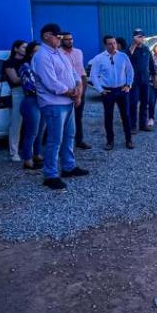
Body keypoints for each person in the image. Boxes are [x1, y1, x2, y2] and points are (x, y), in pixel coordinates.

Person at [32, 23, 89, 189]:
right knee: (54, 140)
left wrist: (78, 88)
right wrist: (72, 93)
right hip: (53, 104)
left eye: (61, 37)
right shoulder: (42, 56)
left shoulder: (60, 54)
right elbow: (51, 83)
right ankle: (50, 175)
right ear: (46, 36)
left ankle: (68, 167)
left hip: (67, 102)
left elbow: (73, 73)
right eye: (57, 36)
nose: (60, 39)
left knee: (69, 136)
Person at [88, 34, 134, 150]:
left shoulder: (123, 56)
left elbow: (130, 71)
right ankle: (110, 141)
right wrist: (100, 90)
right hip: (108, 92)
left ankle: (129, 140)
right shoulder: (99, 58)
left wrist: (128, 85)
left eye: (114, 43)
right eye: (110, 43)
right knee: (108, 117)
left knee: (126, 116)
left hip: (122, 90)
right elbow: (93, 76)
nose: (113, 45)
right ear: (105, 45)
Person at [59, 32, 91, 150]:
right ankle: (62, 143)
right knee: (64, 117)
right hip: (66, 89)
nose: (70, 41)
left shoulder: (78, 52)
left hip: (80, 87)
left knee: (78, 115)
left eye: (71, 39)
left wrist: (83, 85)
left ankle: (79, 140)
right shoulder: (58, 54)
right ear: (61, 41)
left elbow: (81, 70)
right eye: (67, 39)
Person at [18, 41, 44, 170]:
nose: (39, 54)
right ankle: (27, 159)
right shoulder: (26, 66)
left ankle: (37, 154)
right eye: (35, 51)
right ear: (30, 53)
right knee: (31, 132)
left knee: (40, 131)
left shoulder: (42, 66)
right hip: (31, 101)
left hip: (42, 101)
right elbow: (31, 86)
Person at [126, 28, 156, 133]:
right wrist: (134, 44)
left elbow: (151, 64)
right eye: (138, 36)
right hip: (133, 82)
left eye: (142, 36)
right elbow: (127, 57)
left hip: (145, 81)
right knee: (133, 103)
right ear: (134, 38)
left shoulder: (146, 49)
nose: (140, 38)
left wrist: (154, 77)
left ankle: (143, 124)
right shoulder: (130, 49)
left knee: (145, 102)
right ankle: (132, 126)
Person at [2, 40, 26, 162]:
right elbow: (15, 80)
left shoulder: (27, 61)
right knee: (16, 124)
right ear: (16, 49)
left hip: (30, 93)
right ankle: (14, 152)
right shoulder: (9, 63)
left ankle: (28, 150)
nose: (25, 49)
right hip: (17, 92)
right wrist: (29, 76)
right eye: (23, 47)